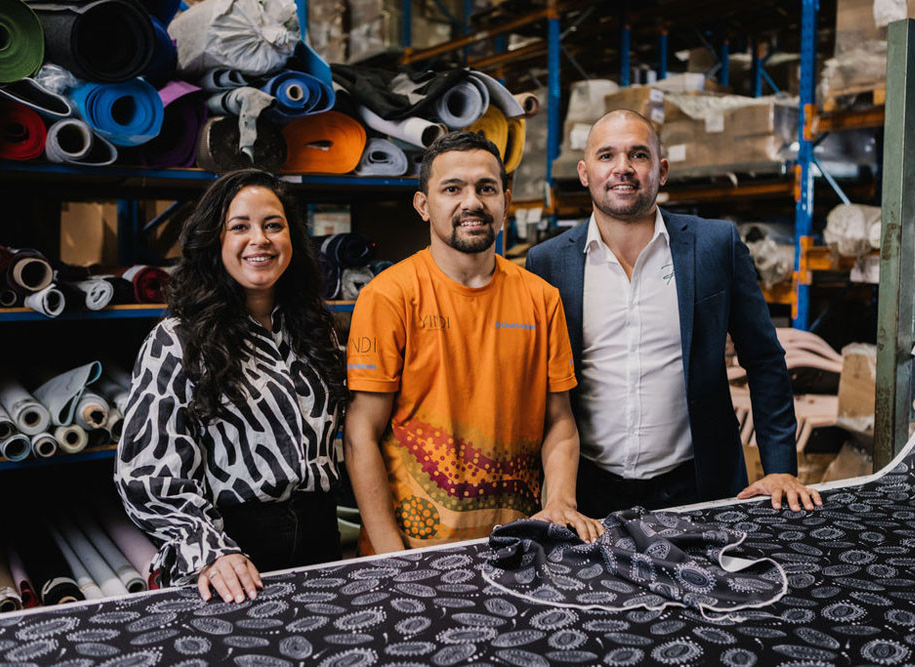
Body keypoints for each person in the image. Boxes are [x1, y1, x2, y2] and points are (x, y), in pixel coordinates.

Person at [525, 110, 823, 517]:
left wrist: (780, 470)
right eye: (607, 156)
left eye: (638, 155)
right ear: (584, 172)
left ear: (661, 170)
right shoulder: (548, 262)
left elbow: (764, 360)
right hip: (589, 493)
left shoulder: (713, 245)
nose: (623, 169)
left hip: (699, 486)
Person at [344, 131, 604, 555]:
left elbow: (559, 421)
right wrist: (390, 553)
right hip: (414, 551)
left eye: (486, 188)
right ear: (423, 206)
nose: (472, 202)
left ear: (506, 199)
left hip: (516, 544)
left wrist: (560, 501)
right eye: (452, 189)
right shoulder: (389, 296)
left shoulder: (541, 298)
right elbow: (361, 432)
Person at [116, 169, 348, 604]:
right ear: (215, 242)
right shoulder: (177, 339)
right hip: (231, 551)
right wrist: (211, 551)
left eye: (273, 225)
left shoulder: (316, 331)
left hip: (321, 538)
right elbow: (146, 477)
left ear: (291, 240)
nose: (259, 239)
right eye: (239, 226)